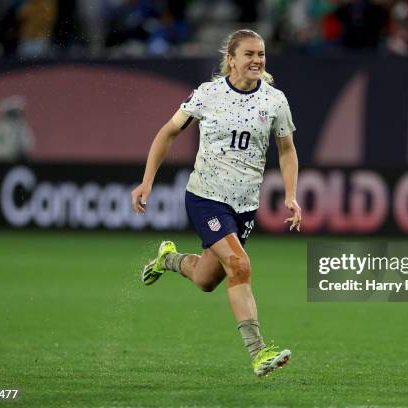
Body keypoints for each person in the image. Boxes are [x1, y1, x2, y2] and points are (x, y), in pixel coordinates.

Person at [130, 29, 301, 378]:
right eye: (249, 54)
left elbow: (287, 150)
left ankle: (169, 259)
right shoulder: (208, 95)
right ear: (231, 59)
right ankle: (258, 352)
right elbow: (168, 133)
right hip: (206, 197)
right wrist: (147, 180)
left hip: (244, 206)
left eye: (262, 54)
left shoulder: (274, 101)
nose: (257, 60)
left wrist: (291, 194)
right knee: (239, 265)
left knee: (207, 280)